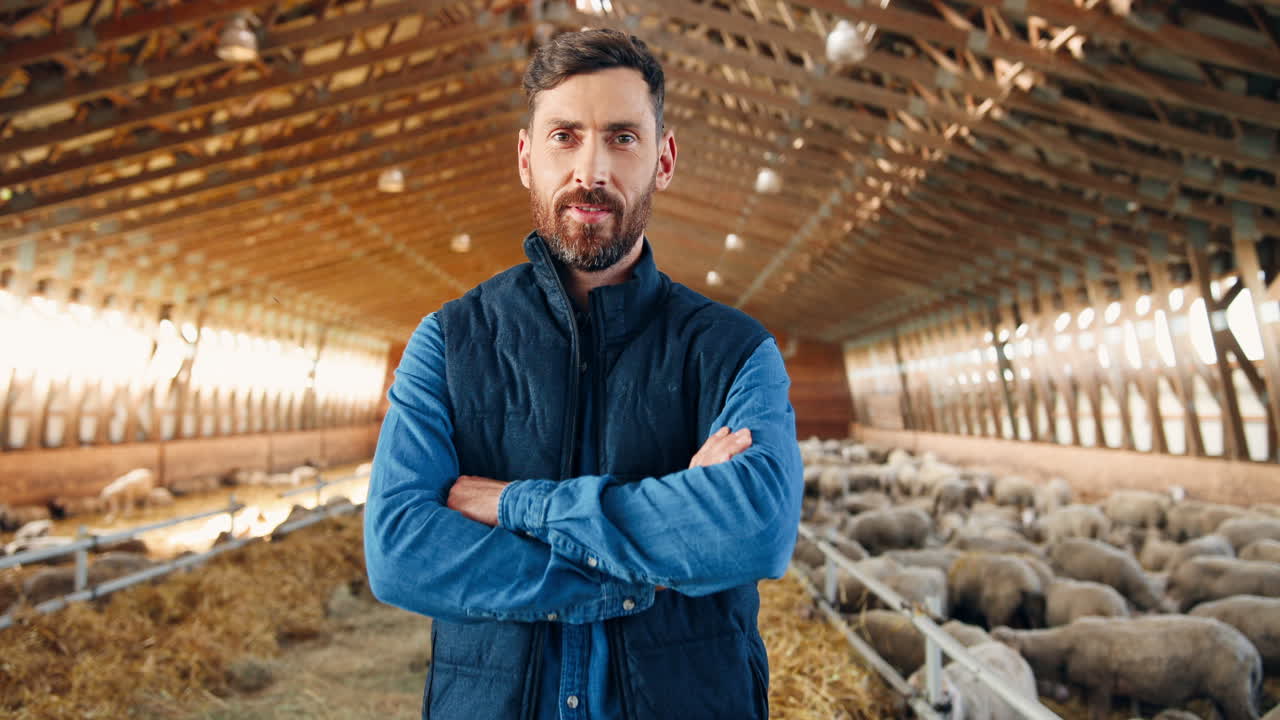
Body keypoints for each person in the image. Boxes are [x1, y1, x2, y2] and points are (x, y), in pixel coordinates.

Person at [364, 28, 803, 720]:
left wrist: (515, 507)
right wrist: (652, 560)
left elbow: (754, 529)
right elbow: (400, 552)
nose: (590, 171)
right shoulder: (448, 344)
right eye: (564, 137)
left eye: (622, 138)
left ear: (663, 160)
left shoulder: (734, 351)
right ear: (526, 158)